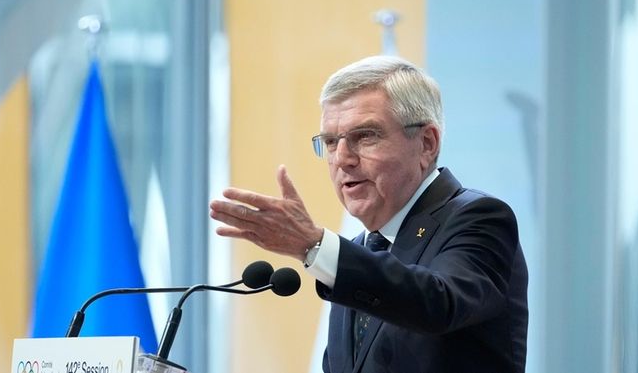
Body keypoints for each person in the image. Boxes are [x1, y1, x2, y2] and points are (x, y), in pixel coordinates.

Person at [209, 56, 528, 373]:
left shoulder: (479, 218)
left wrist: (316, 246)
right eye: (331, 142)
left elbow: (437, 304)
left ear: (427, 144)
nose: (342, 159)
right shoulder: (358, 251)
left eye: (365, 136)